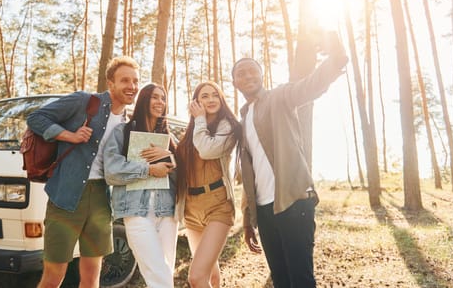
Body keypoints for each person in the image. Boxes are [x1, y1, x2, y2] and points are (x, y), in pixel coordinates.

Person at [232, 31, 349, 288]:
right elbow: (249, 174)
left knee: (301, 280)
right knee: (281, 280)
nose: (248, 75)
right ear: (235, 83)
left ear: (261, 75)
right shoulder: (243, 118)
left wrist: (336, 58)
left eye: (253, 70)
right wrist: (248, 218)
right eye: (241, 73)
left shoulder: (280, 96)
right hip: (264, 211)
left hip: (294, 202)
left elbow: (311, 85)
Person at [27, 56, 140, 288]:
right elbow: (35, 118)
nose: (132, 86)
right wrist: (70, 136)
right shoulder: (85, 101)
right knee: (54, 276)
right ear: (110, 83)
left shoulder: (129, 122)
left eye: (135, 81)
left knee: (91, 277)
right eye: (125, 80)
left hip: (101, 199)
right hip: (65, 197)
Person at [103, 83, 178, 288]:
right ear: (144, 99)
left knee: (165, 272)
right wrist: (148, 169)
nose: (160, 102)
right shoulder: (123, 132)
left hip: (167, 212)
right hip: (136, 212)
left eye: (163, 98)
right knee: (156, 272)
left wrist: (171, 157)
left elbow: (185, 174)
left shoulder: (169, 138)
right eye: (155, 97)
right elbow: (111, 171)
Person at [175, 81, 242, 288]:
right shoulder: (191, 131)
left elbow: (207, 150)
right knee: (210, 275)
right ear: (196, 101)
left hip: (218, 206)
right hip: (192, 209)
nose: (211, 99)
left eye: (215, 95)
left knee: (196, 277)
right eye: (204, 96)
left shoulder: (228, 126)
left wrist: (200, 119)